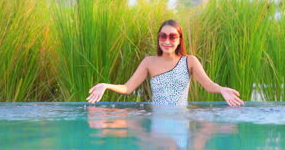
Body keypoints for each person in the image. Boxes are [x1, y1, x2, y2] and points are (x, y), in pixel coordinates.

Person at [86, 19, 244, 107]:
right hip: (158, 120)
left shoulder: (189, 61)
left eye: (172, 37)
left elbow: (209, 85)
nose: (167, 41)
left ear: (179, 39)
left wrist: (222, 89)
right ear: (158, 38)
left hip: (181, 119)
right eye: (163, 36)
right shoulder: (149, 62)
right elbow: (128, 88)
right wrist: (106, 85)